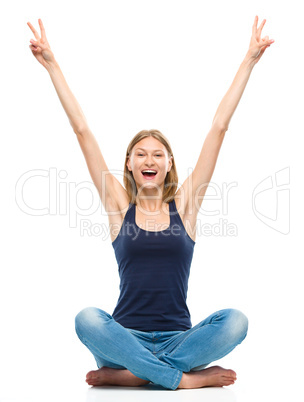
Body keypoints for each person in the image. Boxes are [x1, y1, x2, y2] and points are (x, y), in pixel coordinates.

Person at [27, 16, 274, 390]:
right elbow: (82, 131)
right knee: (87, 319)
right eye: (140, 154)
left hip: (179, 339)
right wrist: (52, 64)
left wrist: (249, 60)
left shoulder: (186, 207)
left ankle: (133, 376)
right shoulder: (118, 207)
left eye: (158, 154)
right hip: (124, 338)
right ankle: (181, 379)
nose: (149, 160)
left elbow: (218, 128)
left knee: (236, 320)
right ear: (129, 163)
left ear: (169, 164)